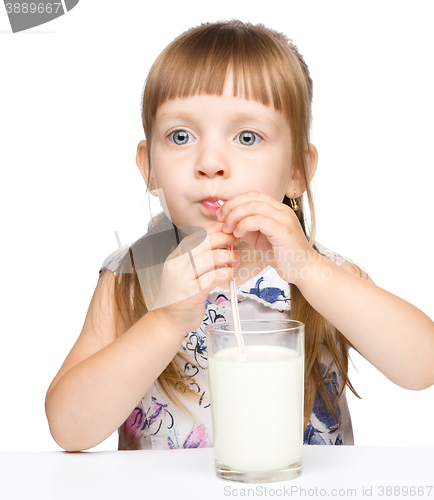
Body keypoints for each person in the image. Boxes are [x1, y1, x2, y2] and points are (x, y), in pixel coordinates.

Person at [45, 20, 434, 452]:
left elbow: (422, 366)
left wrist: (306, 269)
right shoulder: (132, 278)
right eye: (181, 136)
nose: (210, 161)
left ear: (296, 171)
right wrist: (166, 320)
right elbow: (69, 428)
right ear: (149, 167)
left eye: (247, 136)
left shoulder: (320, 273)